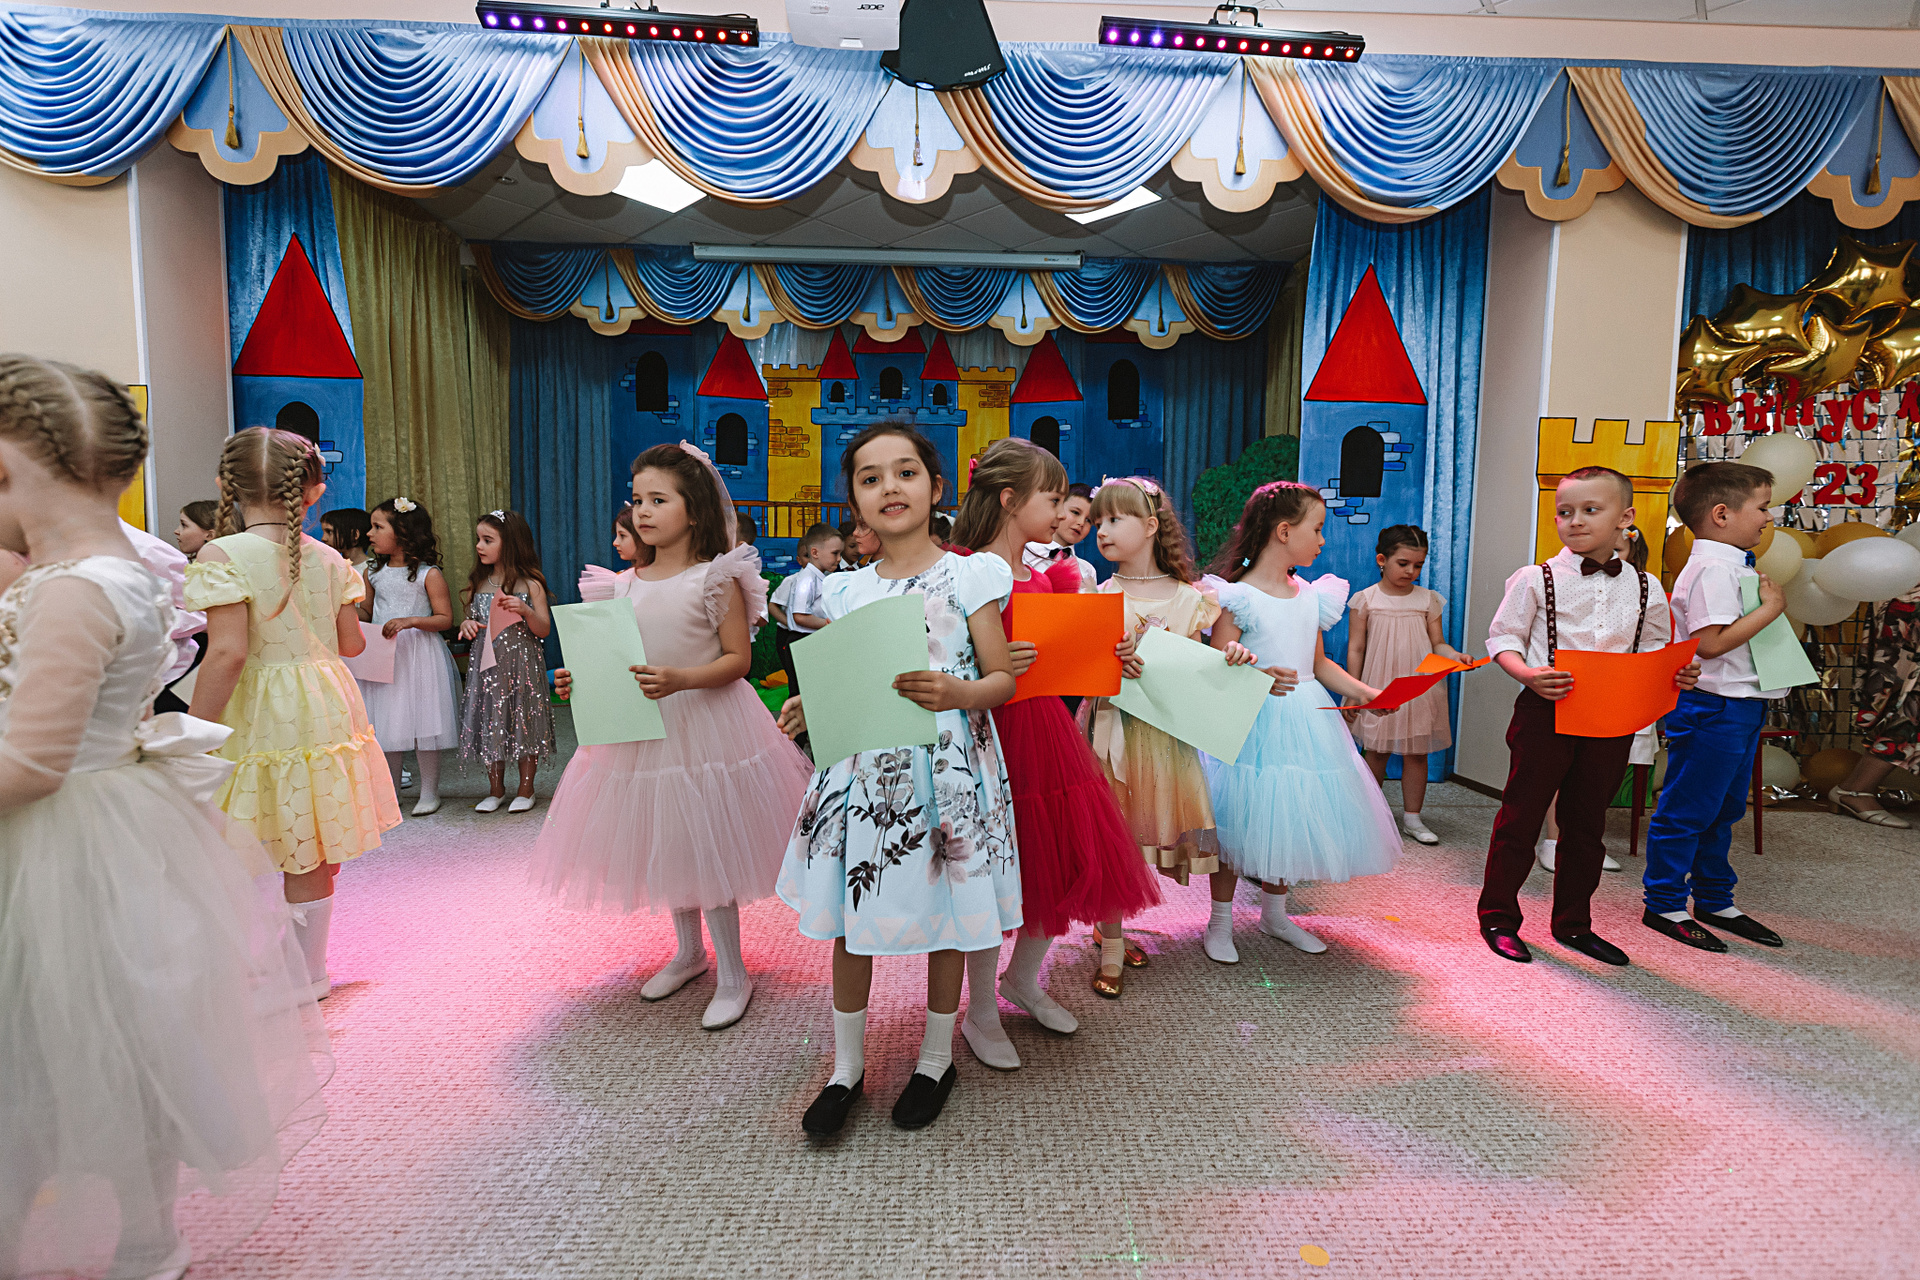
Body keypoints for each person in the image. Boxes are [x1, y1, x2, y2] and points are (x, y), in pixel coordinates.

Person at [0, 356, 330, 1280]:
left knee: (56, 1041)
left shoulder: (74, 588)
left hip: (60, 839)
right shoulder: (123, 566)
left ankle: (140, 1234)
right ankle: (146, 1230)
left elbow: (33, 761)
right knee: (110, 1038)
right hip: (112, 823)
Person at [776, 424, 1020, 1135]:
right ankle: (845, 1068)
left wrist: (959, 692)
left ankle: (936, 1060)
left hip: (947, 768)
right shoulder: (844, 590)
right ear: (853, 500)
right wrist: (811, 704)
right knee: (851, 915)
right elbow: (846, 677)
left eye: (906, 472)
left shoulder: (970, 576)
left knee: (947, 912)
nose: (890, 487)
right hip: (866, 772)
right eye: (871, 477)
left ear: (936, 488)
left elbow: (1001, 678)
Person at [535, 445, 813, 1030]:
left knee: (709, 842)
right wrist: (576, 680)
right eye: (637, 499)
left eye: (658, 500)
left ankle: (733, 971)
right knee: (670, 839)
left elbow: (737, 660)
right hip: (642, 731)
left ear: (694, 510)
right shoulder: (620, 584)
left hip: (706, 724)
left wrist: (681, 678)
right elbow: (612, 661)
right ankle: (689, 953)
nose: (642, 511)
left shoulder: (714, 578)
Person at [954, 440, 1156, 1067]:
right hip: (989, 733)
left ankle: (1022, 978)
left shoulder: (1043, 575)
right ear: (1010, 500)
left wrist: (1109, 655)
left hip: (1044, 730)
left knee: (1059, 857)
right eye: (1053, 499)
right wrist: (989, 661)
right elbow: (940, 656)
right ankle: (979, 1010)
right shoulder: (963, 571)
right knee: (992, 872)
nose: (1068, 513)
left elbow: (1062, 657)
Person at [186, 427, 401, 1000]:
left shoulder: (221, 553)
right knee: (312, 833)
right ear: (313, 492)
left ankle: (275, 963)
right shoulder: (330, 557)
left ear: (227, 486)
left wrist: (194, 730)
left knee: (250, 825)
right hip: (325, 699)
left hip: (263, 703)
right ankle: (307, 966)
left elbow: (228, 652)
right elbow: (351, 644)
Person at [1478, 466, 1697, 967]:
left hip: (1610, 717)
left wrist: (1676, 673)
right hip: (1545, 710)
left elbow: (1654, 649)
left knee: (1586, 825)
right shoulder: (1535, 578)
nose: (1574, 520)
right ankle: (1498, 918)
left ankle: (1574, 923)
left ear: (1626, 518)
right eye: (1564, 512)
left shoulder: (1647, 586)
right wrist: (1528, 674)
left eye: (1590, 510)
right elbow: (1503, 638)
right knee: (1521, 816)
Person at [1203, 482, 1399, 962]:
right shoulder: (1238, 597)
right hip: (1252, 717)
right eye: (1317, 529)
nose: (1323, 540)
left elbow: (1318, 664)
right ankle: (1220, 922)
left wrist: (1365, 693)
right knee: (1237, 817)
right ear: (1285, 532)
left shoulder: (1311, 595)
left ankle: (1275, 915)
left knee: (1289, 814)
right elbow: (1215, 666)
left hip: (1304, 715)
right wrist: (1252, 672)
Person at [1641, 462, 1787, 951]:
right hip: (1714, 706)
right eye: (1762, 507)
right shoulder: (1711, 569)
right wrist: (1772, 609)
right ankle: (1664, 903)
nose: (1768, 517)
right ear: (1722, 514)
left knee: (1723, 809)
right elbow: (1709, 644)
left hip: (1740, 704)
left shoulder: (1732, 564)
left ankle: (1714, 899)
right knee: (1688, 808)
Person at [1085, 476, 1224, 989]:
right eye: (1097, 521)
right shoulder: (1097, 595)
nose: (1101, 530)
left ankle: (1109, 929)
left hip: (1162, 738)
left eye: (1113, 519)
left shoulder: (1191, 600)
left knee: (1141, 827)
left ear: (1149, 526)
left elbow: (1200, 671)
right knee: (1110, 834)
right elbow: (1078, 669)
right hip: (1110, 729)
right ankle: (1111, 945)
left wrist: (1231, 656)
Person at [1537, 523, 1650, 873]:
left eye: (1619, 553)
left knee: (1596, 775)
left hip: (1615, 695)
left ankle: (1585, 841)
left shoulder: (1641, 591)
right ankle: (1553, 840)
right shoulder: (1559, 583)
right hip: (1569, 689)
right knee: (1560, 771)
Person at [1345, 525, 1465, 846]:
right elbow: (1356, 647)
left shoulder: (1427, 599)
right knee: (1377, 750)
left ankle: (1412, 818)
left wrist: (1454, 655)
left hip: (1417, 687)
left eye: (1418, 565)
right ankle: (1369, 816)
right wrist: (1354, 688)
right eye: (1403, 563)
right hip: (1379, 685)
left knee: (1416, 753)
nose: (1411, 571)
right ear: (1382, 560)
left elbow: (1437, 643)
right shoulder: (1365, 599)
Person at [358, 497, 461, 817]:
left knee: (424, 722)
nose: (370, 534)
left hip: (419, 654)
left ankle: (429, 792)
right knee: (389, 721)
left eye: (378, 527)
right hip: (385, 654)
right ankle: (391, 792)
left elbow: (445, 618)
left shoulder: (428, 574)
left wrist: (410, 621)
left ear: (402, 532)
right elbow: (367, 612)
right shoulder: (373, 574)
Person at [457, 510, 555, 813]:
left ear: (510, 543)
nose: (479, 546)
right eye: (478, 539)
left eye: (488, 540)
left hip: (522, 666)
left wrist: (526, 611)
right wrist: (467, 625)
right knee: (492, 721)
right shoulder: (479, 583)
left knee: (525, 720)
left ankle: (526, 789)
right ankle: (495, 790)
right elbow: (472, 620)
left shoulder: (531, 584)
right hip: (488, 668)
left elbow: (544, 629)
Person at [1843, 582, 1920, 829]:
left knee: (1909, 700)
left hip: (1902, 590)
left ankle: (1855, 788)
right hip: (1908, 593)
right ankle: (1856, 790)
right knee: (1910, 702)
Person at [125, 514, 207, 716]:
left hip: (164, 678)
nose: (177, 531)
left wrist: (140, 624)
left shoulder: (148, 550)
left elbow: (200, 610)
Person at [769, 521, 842, 701]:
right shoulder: (806, 580)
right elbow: (800, 617)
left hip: (810, 640)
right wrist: (830, 624)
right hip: (802, 641)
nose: (839, 559)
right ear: (815, 553)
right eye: (835, 553)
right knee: (802, 696)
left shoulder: (818, 578)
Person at [1022, 480, 1097, 592]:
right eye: (1075, 512)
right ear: (1058, 508)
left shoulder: (1087, 570)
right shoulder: (1024, 553)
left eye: (1088, 520)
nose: (1081, 522)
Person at [320, 506, 373, 578]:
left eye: (329, 532)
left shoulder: (374, 570)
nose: (323, 538)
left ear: (354, 535)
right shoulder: (329, 568)